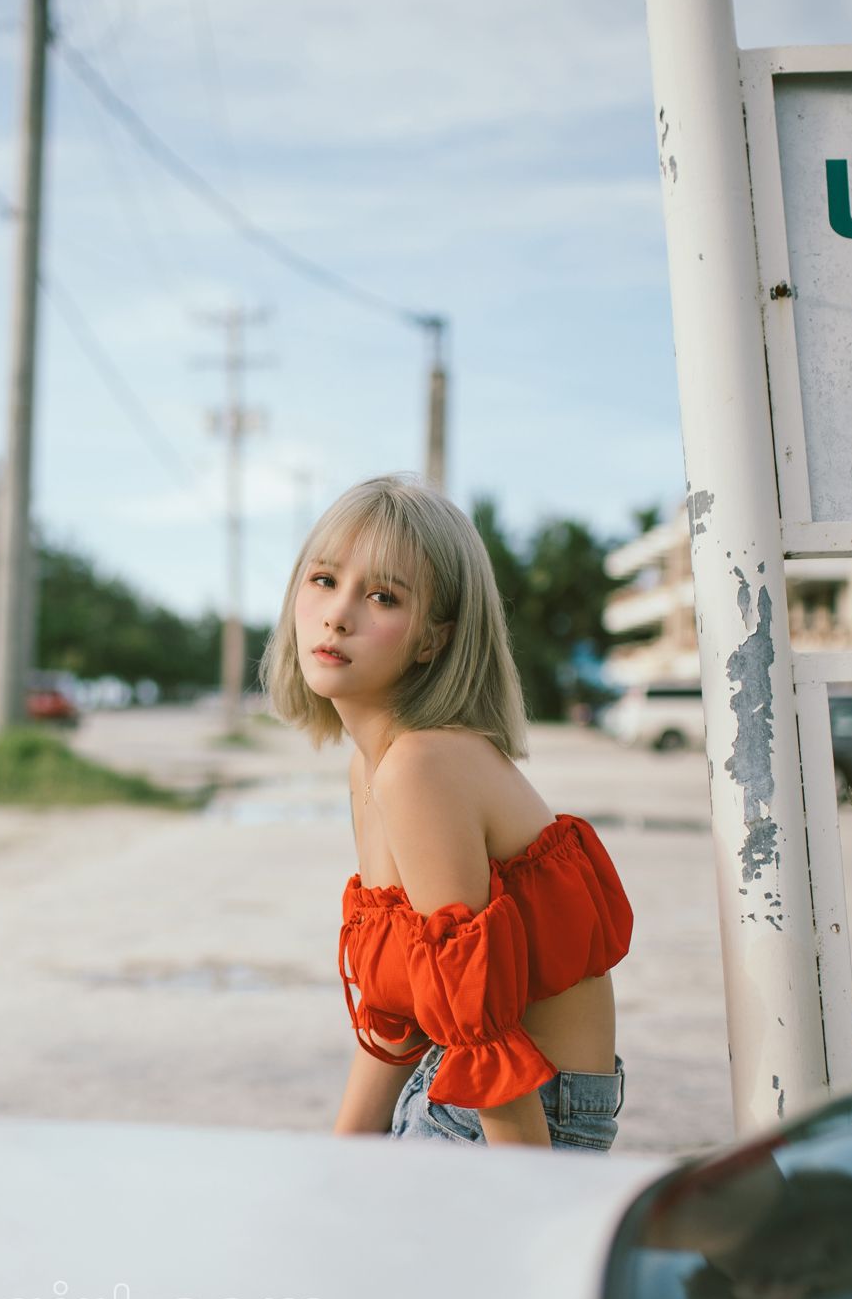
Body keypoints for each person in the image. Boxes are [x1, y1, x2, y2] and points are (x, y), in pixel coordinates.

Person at [260, 474, 633, 1149]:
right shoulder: (374, 768)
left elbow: (480, 1030)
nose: (338, 614)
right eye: (323, 579)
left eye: (381, 596)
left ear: (434, 640)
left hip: (515, 1118)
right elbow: (397, 1030)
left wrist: (530, 1200)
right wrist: (336, 1166)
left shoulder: (422, 767)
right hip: (456, 1091)